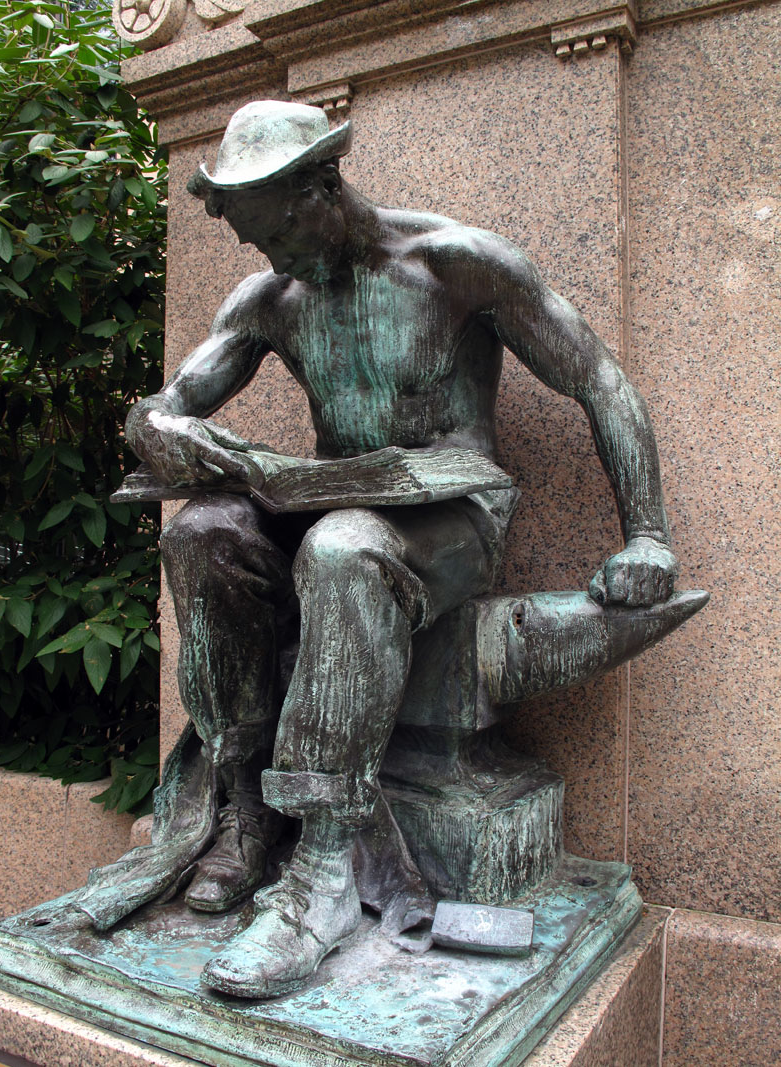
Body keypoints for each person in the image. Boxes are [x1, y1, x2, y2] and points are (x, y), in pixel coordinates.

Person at [124, 100, 677, 998]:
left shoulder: (458, 265)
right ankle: (246, 812)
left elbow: (599, 380)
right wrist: (160, 431)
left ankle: (326, 872)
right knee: (201, 534)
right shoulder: (271, 299)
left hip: (451, 517)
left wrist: (648, 534)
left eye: (278, 236)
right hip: (339, 506)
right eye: (255, 245)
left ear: (322, 188)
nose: (272, 261)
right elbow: (166, 400)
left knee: (344, 550)